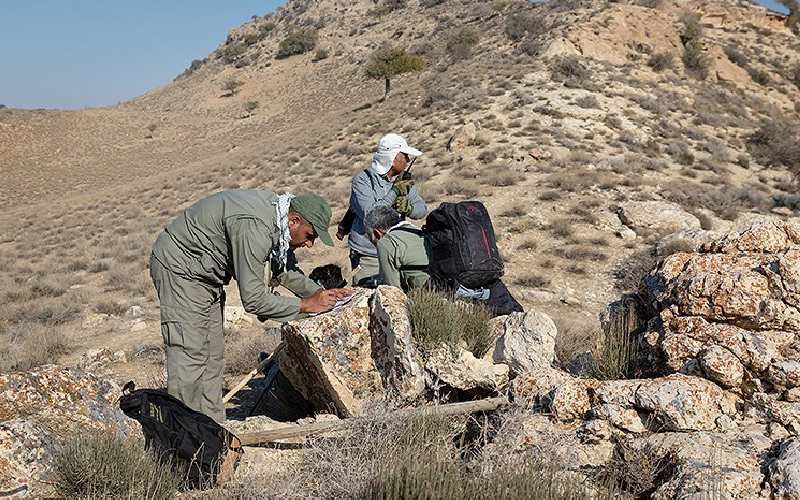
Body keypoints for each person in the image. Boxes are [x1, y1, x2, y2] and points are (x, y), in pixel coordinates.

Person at [149, 190, 350, 423]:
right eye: (309, 235)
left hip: (206, 278)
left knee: (212, 358)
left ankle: (211, 431)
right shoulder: (256, 228)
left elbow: (283, 269)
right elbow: (253, 299)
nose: (310, 244)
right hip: (180, 270)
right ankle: (184, 439)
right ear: (294, 220)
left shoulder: (278, 221)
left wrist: (319, 293)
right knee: (190, 356)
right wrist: (306, 305)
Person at [364, 205, 524, 317]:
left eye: (370, 237)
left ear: (377, 232)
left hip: (437, 290)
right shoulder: (415, 230)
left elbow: (391, 291)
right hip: (459, 280)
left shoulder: (387, 242)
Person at [338, 133, 427, 287]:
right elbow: (372, 215)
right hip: (368, 256)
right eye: (404, 155)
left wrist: (408, 208)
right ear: (393, 159)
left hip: (398, 253)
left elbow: (421, 210)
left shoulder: (403, 182)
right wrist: (394, 193)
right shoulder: (363, 180)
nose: (407, 160)